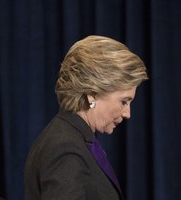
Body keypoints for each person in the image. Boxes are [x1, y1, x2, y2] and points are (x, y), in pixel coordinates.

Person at [24, 35, 148, 200]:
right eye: (124, 101)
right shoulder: (65, 148)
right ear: (92, 95)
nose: (127, 113)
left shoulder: (74, 139)